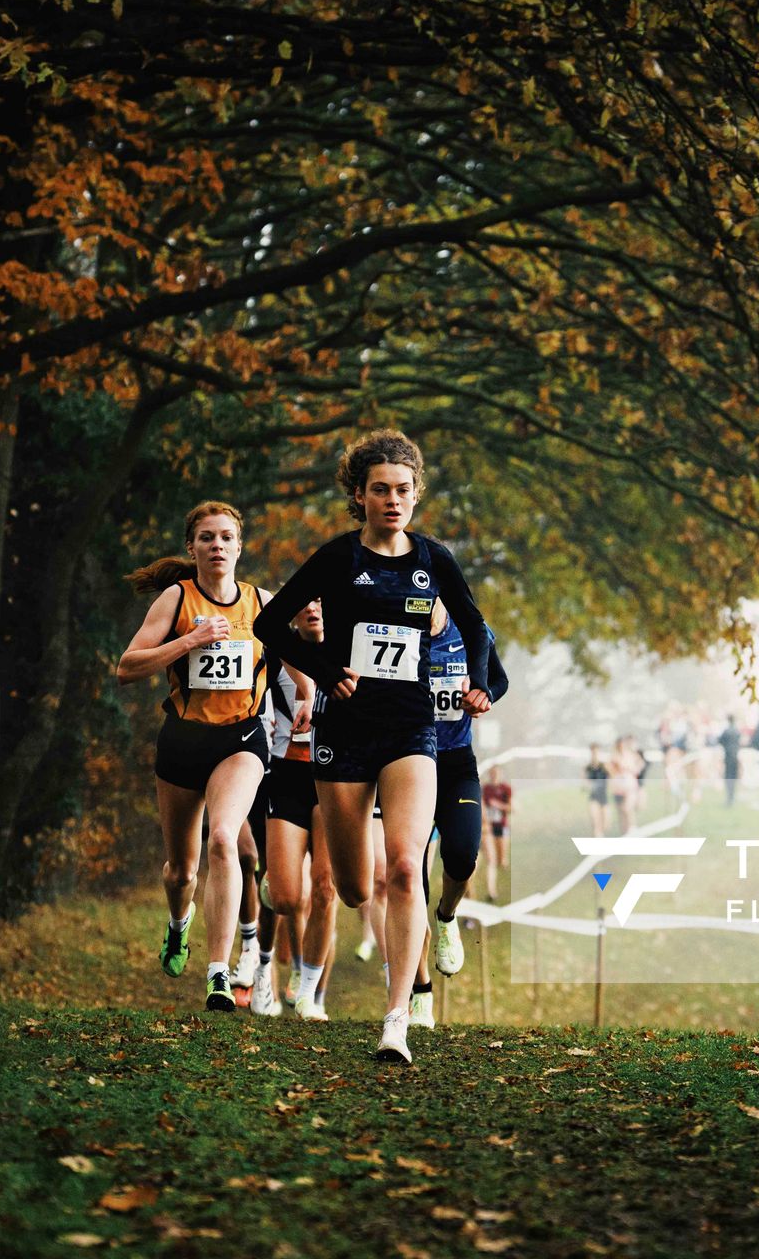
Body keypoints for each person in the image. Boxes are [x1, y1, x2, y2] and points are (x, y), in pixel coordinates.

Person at [254, 428, 494, 1064]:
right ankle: (386, 985)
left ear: (417, 496)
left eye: (404, 490)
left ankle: (398, 1019)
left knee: (405, 865)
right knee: (357, 888)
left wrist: (481, 681)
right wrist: (326, 667)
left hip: (413, 730)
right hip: (344, 734)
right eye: (380, 490)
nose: (393, 500)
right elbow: (267, 622)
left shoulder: (435, 559)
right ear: (358, 496)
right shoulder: (336, 558)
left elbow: (474, 625)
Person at [117, 501, 274, 1012]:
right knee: (182, 870)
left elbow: (304, 650)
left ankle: (219, 974)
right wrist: (189, 641)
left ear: (239, 546)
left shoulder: (260, 602)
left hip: (241, 740)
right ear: (192, 547)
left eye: (227, 537)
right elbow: (128, 667)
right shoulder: (176, 598)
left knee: (225, 840)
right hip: (184, 741)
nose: (217, 546)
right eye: (207, 538)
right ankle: (178, 925)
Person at [407, 600, 510, 1029]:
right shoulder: (397, 630)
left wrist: (483, 695)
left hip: (455, 764)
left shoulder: (471, 631)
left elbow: (499, 681)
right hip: (407, 762)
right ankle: (418, 991)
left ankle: (447, 916)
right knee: (407, 877)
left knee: (464, 854)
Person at [256, 599, 336, 1021]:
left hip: (336, 778)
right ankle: (267, 961)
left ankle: (310, 993)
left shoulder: (349, 650)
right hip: (286, 775)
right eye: (303, 602)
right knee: (287, 897)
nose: (312, 609)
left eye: (321, 602)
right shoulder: (275, 652)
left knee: (325, 889)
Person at [482, 765, 514, 900]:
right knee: (492, 860)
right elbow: (482, 807)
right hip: (488, 828)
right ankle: (491, 892)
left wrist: (498, 805)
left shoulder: (506, 789)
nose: (494, 776)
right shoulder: (485, 789)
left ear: (501, 774)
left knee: (502, 861)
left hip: (502, 827)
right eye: (492, 773)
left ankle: (503, 863)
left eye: (497, 773)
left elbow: (511, 808)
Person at [609, 736, 643, 834]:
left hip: (629, 786)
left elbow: (639, 765)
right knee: (621, 811)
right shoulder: (614, 756)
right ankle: (625, 832)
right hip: (618, 787)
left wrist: (632, 770)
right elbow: (611, 770)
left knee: (628, 807)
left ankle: (633, 828)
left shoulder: (631, 755)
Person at [717, 713, 743, 807]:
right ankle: (732, 797)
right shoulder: (737, 731)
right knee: (733, 778)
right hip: (735, 757)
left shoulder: (726, 731)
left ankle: (729, 798)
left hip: (728, 757)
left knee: (728, 777)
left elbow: (720, 741)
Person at [584, 744, 611, 837]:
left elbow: (612, 777)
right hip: (594, 797)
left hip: (604, 797)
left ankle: (601, 835)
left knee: (605, 824)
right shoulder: (588, 768)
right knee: (595, 821)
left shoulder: (605, 766)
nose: (595, 754)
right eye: (593, 752)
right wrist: (587, 786)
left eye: (596, 752)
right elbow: (585, 782)